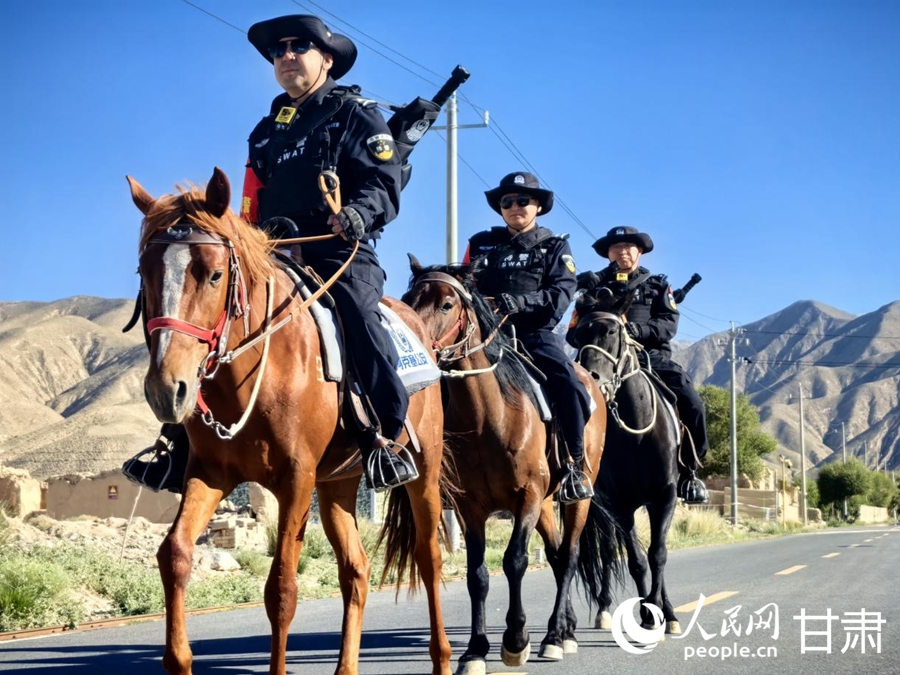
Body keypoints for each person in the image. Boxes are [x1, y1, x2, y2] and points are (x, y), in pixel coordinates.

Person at [123, 14, 417, 493]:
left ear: (327, 59)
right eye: (277, 52)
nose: (285, 57)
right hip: (272, 254)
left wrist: (360, 214)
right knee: (207, 322)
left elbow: (385, 183)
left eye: (297, 47)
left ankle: (386, 435)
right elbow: (249, 201)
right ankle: (177, 443)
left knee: (360, 317)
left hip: (336, 252)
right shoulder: (266, 131)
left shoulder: (356, 115)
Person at [462, 172, 594, 503]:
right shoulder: (479, 243)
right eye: (507, 202)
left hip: (533, 335)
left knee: (569, 383)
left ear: (538, 206)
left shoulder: (554, 245)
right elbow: (465, 283)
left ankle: (574, 465)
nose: (514, 207)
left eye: (523, 201)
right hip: (486, 336)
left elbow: (563, 292)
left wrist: (522, 302)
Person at [572, 226, 709, 504]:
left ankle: (690, 472)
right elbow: (573, 332)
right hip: (603, 360)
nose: (622, 252)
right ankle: (572, 470)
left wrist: (632, 330)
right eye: (615, 248)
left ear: (640, 251)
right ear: (607, 254)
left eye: (628, 247)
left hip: (651, 358)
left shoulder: (657, 285)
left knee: (692, 402)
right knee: (565, 399)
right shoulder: (593, 289)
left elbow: (668, 325)